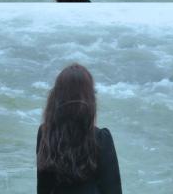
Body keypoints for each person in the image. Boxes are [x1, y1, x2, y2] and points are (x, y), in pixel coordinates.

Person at [36, 64, 122, 193]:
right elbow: (113, 190)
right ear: (90, 99)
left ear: (56, 97)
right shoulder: (101, 139)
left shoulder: (45, 133)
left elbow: (43, 188)